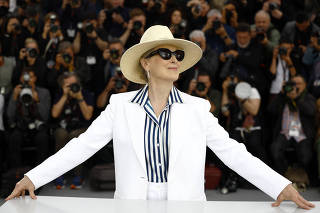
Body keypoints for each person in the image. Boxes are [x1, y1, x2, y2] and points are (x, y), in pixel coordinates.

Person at [6, 25, 314, 210]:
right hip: (131, 206)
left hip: (187, 207)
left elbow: (235, 154)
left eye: (177, 55)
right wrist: (34, 177)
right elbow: (80, 146)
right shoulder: (120, 106)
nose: (173, 59)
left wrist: (279, 185)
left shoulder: (197, 108)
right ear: (146, 62)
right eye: (165, 53)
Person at [51, 72, 94, 189]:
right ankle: (58, 173)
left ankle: (78, 175)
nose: (71, 87)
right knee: (61, 134)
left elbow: (88, 116)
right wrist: (65, 96)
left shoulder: (86, 94)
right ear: (62, 86)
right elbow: (54, 114)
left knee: (75, 136)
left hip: (81, 128)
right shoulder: (60, 94)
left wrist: (79, 98)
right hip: (64, 127)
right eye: (68, 85)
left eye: (74, 84)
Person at [268, 75, 316, 176]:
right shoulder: (283, 97)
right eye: (294, 83)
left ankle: (299, 174)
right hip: (285, 132)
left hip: (301, 133)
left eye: (299, 84)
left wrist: (296, 98)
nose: (296, 86)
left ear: (305, 85)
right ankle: (285, 172)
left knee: (305, 156)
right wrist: (281, 94)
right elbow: (271, 110)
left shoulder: (308, 97)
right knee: (275, 150)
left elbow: (311, 111)